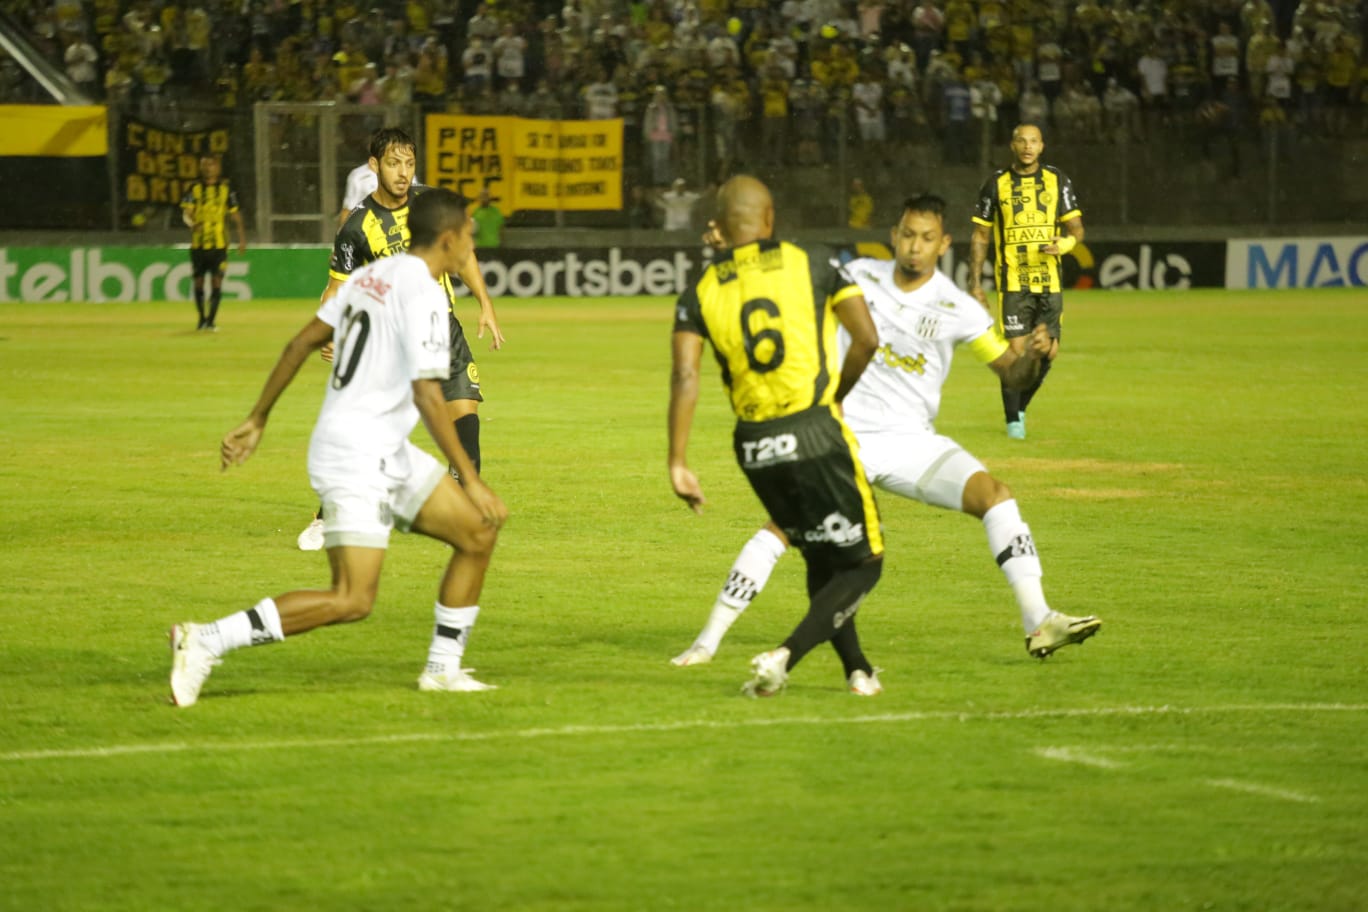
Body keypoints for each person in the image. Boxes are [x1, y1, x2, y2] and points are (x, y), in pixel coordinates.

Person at [672, 194, 1102, 670]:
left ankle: (1038, 619)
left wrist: (1033, 358)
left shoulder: (957, 308)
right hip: (842, 435)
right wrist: (734, 241)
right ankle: (708, 640)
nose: (914, 246)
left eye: (926, 238)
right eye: (907, 235)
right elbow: (783, 264)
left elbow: (1011, 375)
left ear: (943, 244)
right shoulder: (858, 274)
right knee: (785, 529)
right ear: (893, 236)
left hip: (912, 442)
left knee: (995, 495)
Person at [169, 189, 509, 707]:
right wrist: (473, 478)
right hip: (355, 456)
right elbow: (426, 394)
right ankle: (207, 640)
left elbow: (301, 342)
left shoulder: (374, 276)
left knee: (477, 536)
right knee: (352, 598)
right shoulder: (425, 297)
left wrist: (258, 418)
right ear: (448, 238)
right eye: (468, 231)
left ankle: (442, 669)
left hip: (382, 448)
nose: (472, 239)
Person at [668, 175, 885, 698]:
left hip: (754, 445)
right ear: (768, 218)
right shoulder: (811, 261)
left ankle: (857, 671)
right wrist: (835, 396)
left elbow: (686, 377)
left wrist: (677, 460)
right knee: (865, 562)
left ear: (718, 225)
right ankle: (784, 655)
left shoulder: (698, 290)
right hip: (812, 428)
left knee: (818, 555)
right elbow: (867, 339)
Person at [297, 128, 504, 551]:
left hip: (443, 329)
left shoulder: (432, 205)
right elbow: (337, 287)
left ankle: (453, 521)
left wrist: (485, 302)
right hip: (389, 342)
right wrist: (331, 331)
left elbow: (463, 255)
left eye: (409, 163)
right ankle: (327, 515)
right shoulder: (356, 227)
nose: (403, 172)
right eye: (394, 163)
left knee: (468, 434)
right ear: (374, 166)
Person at [968, 123, 1082, 440]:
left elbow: (1077, 230)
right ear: (1012, 145)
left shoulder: (1057, 180)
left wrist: (1066, 245)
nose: (1028, 146)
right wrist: (974, 282)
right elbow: (980, 235)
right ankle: (1012, 423)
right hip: (1014, 282)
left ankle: (1019, 408)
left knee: (1049, 353)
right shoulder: (996, 183)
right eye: (1021, 140)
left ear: (1042, 146)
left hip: (1050, 282)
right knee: (1016, 354)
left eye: (1033, 141)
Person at [180, 153, 246, 332]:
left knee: (217, 282)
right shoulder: (193, 188)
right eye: (204, 165)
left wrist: (242, 239)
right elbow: (186, 213)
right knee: (199, 282)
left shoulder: (226, 189)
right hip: (198, 246)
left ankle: (211, 321)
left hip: (219, 246)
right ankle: (201, 319)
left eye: (210, 165)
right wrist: (192, 224)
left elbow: (235, 215)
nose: (207, 168)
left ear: (217, 168)